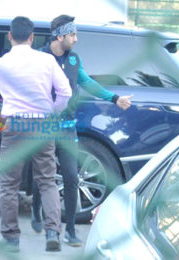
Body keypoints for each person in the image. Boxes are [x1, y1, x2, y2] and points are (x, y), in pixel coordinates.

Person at [0, 16, 72, 252]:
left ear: (10, 37)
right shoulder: (47, 61)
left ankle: (11, 239)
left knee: (9, 184)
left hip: (15, 126)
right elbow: (66, 92)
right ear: (32, 38)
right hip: (44, 124)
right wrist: (52, 111)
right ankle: (53, 232)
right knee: (48, 181)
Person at [31, 14, 133, 247]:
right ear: (60, 36)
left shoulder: (74, 60)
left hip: (67, 128)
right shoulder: (39, 57)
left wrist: (115, 98)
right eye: (72, 35)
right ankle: (36, 210)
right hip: (43, 127)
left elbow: (86, 82)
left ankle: (69, 230)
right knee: (42, 176)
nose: (76, 39)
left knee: (71, 176)